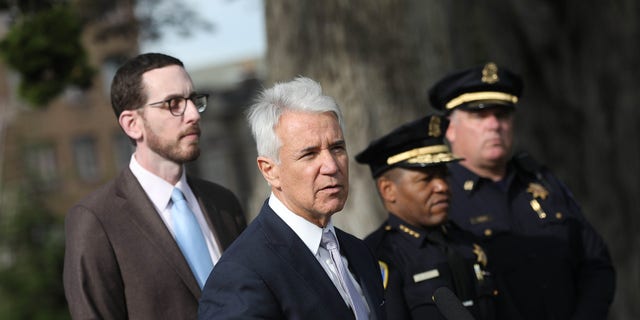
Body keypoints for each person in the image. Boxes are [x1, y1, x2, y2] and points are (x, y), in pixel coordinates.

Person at [63, 53, 247, 319]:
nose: (194, 114)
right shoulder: (95, 220)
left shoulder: (224, 203)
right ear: (132, 124)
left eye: (194, 100)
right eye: (173, 104)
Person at [428, 62, 616, 320]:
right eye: (480, 115)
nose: (494, 125)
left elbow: (596, 263)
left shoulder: (543, 182)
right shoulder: (441, 198)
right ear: (450, 128)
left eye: (502, 114)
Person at [198, 76, 385, 320]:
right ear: (270, 170)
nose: (331, 165)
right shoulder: (241, 275)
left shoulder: (358, 251)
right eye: (309, 154)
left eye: (337, 148)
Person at [357, 114, 497, 320]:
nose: (441, 186)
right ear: (388, 190)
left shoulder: (466, 240)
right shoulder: (378, 256)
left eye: (444, 175)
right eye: (426, 179)